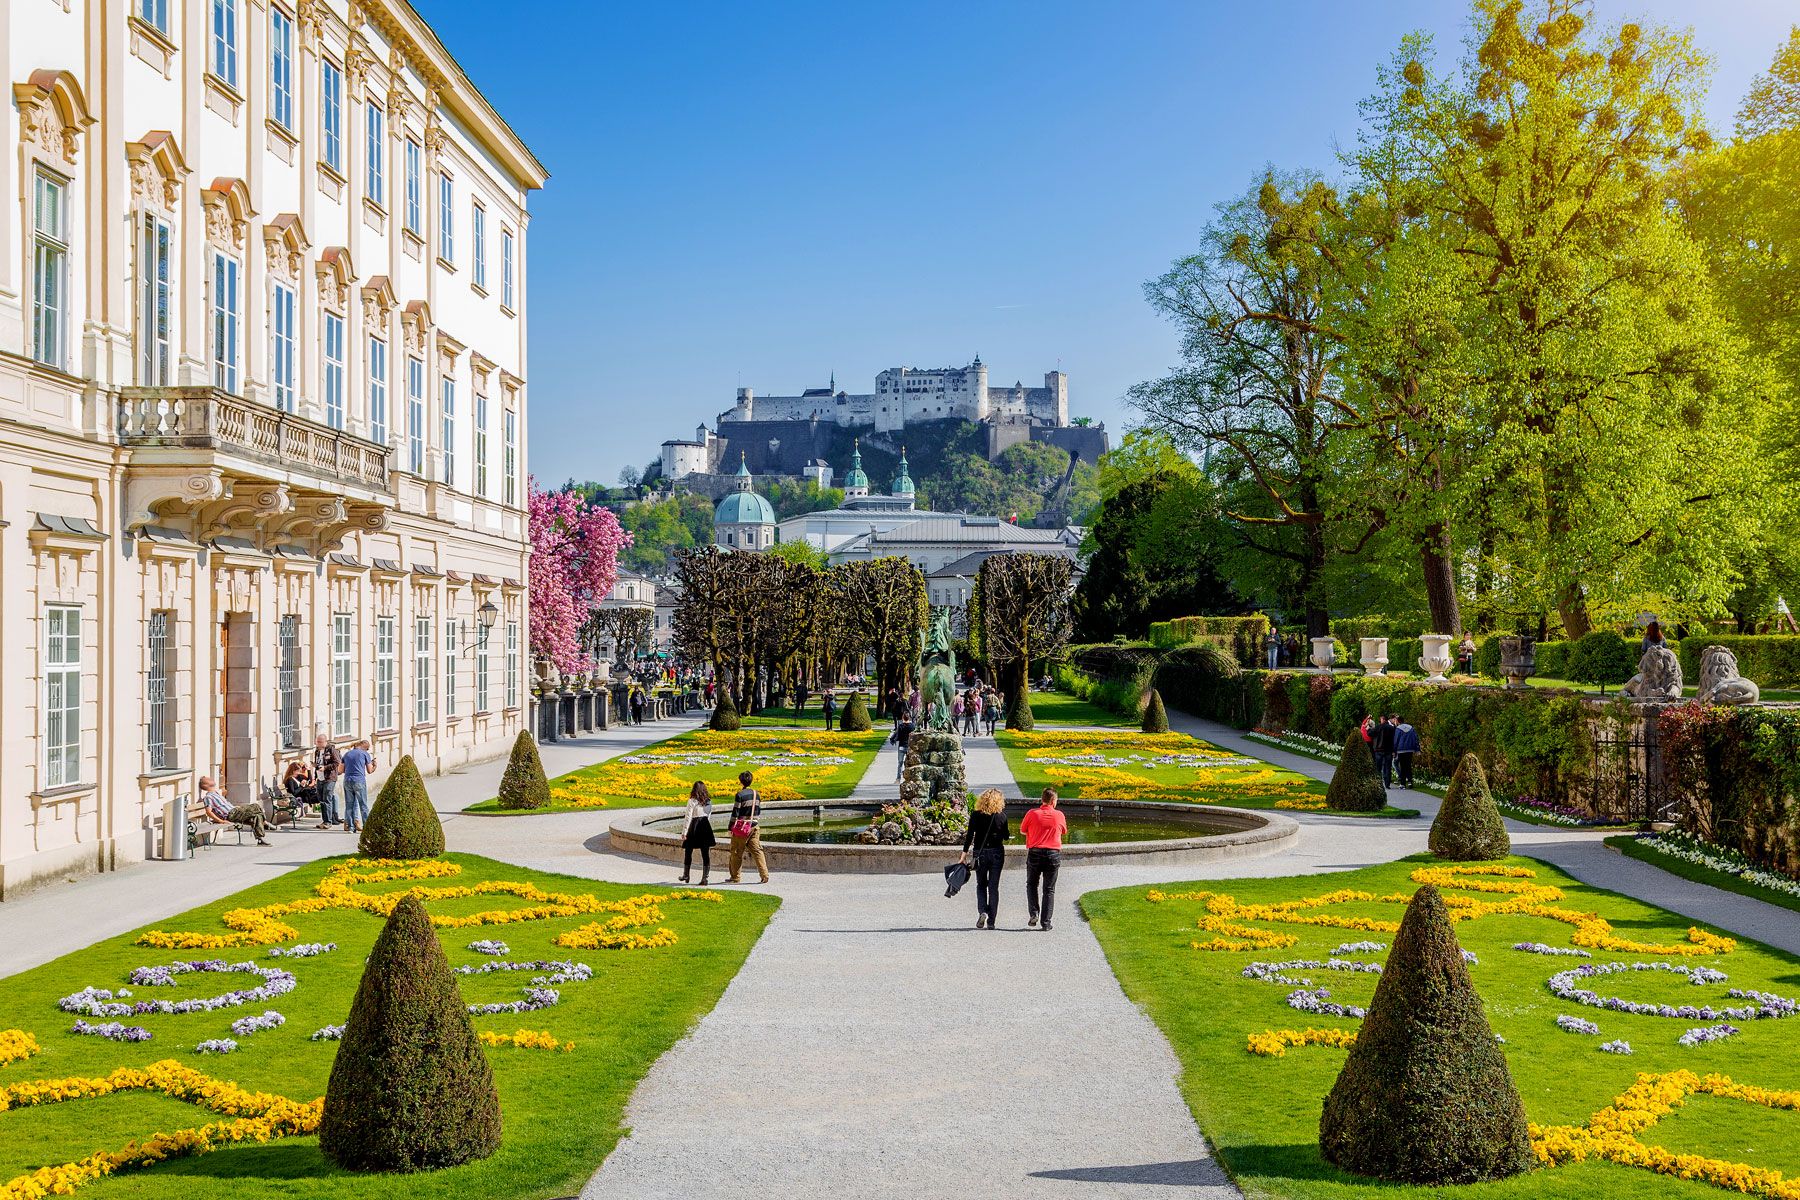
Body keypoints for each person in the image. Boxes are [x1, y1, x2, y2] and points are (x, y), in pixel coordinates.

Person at [960, 788, 1010, 929]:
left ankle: (983, 911)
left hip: (980, 854)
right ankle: (991, 921)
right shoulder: (1002, 816)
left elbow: (970, 836)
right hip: (996, 853)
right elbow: (1005, 836)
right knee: (993, 887)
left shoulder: (976, 815)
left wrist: (963, 856)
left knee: (981, 885)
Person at [1019, 788, 1067, 931]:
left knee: (1031, 884)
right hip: (1052, 854)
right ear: (1053, 801)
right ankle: (1046, 923)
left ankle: (1034, 913)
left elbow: (1022, 830)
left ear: (1042, 800)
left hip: (1035, 853)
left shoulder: (1032, 813)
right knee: (1049, 889)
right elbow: (1063, 831)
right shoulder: (1059, 815)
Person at [200, 775, 269, 845]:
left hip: (235, 811)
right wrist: (221, 821)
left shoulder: (216, 794)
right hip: (231, 814)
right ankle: (266, 823)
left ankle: (260, 840)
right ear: (206, 785)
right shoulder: (208, 797)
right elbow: (209, 812)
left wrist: (237, 808)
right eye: (209, 779)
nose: (211, 779)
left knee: (256, 817)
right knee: (255, 806)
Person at [727, 770, 769, 884]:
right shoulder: (757, 794)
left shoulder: (740, 795)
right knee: (757, 851)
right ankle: (764, 875)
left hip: (742, 828)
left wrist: (730, 827)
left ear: (741, 781)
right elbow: (758, 810)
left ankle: (735, 877)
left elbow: (735, 813)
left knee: (736, 852)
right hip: (754, 826)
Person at [680, 780, 715, 884]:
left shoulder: (692, 801)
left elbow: (688, 817)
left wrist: (684, 832)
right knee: (705, 852)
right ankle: (705, 878)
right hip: (705, 825)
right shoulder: (708, 800)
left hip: (694, 825)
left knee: (688, 850)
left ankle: (686, 875)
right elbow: (708, 814)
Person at [340, 739, 376, 833]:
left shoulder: (347, 754)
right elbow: (369, 770)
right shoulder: (364, 754)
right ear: (365, 747)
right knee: (363, 805)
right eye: (367, 749)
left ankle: (351, 827)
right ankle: (366, 827)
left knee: (349, 805)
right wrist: (374, 765)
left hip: (347, 780)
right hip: (359, 781)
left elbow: (340, 770)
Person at [312, 733, 344, 829]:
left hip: (329, 778)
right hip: (320, 778)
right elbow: (318, 764)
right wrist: (315, 775)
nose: (318, 743)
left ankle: (328, 822)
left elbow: (337, 762)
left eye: (320, 742)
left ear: (325, 741)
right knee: (321, 800)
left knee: (327, 799)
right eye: (317, 741)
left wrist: (325, 768)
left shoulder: (331, 750)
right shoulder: (317, 751)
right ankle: (324, 820)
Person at [1371, 714, 1398, 790]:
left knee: (1378, 767)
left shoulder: (1378, 727)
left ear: (1383, 719)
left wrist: (1369, 728)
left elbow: (1370, 734)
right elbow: (1394, 739)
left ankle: (1378, 782)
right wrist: (1394, 750)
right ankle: (1387, 783)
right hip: (1388, 750)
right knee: (1387, 767)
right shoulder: (1391, 728)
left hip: (1379, 749)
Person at [1393, 717, 1420, 789]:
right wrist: (1417, 749)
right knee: (1408, 766)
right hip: (1410, 749)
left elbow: (1396, 740)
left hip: (1401, 749)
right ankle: (1410, 782)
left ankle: (1403, 784)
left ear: (1398, 721)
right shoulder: (1411, 728)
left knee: (1402, 766)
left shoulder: (1398, 729)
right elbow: (1415, 738)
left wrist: (1394, 751)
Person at [891, 712, 914, 780]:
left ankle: (898, 778)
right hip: (909, 746)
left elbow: (897, 735)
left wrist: (893, 739)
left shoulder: (901, 726)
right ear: (909, 718)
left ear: (903, 718)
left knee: (900, 763)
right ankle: (910, 777)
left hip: (901, 746)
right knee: (910, 763)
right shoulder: (912, 726)